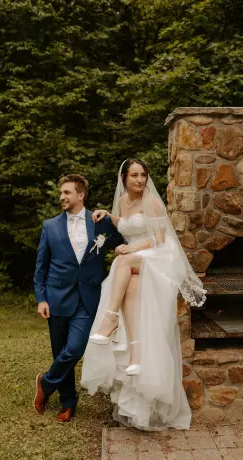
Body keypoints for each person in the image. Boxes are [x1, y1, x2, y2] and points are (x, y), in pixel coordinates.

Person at [81, 159, 206, 431]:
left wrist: (133, 249)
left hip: (159, 255)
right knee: (131, 290)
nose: (140, 180)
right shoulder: (123, 201)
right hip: (139, 257)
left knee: (121, 262)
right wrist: (108, 214)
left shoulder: (151, 201)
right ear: (124, 178)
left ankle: (110, 318)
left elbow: (161, 239)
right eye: (134, 176)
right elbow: (125, 224)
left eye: (143, 175)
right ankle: (136, 357)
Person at [33, 174, 123, 422]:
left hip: (87, 298)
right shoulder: (49, 226)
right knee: (60, 351)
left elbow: (122, 239)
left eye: (67, 193)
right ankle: (68, 402)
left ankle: (46, 382)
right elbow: (41, 267)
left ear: (81, 195)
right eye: (61, 193)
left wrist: (116, 226)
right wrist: (41, 298)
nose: (62, 197)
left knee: (74, 349)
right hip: (57, 297)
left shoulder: (99, 222)